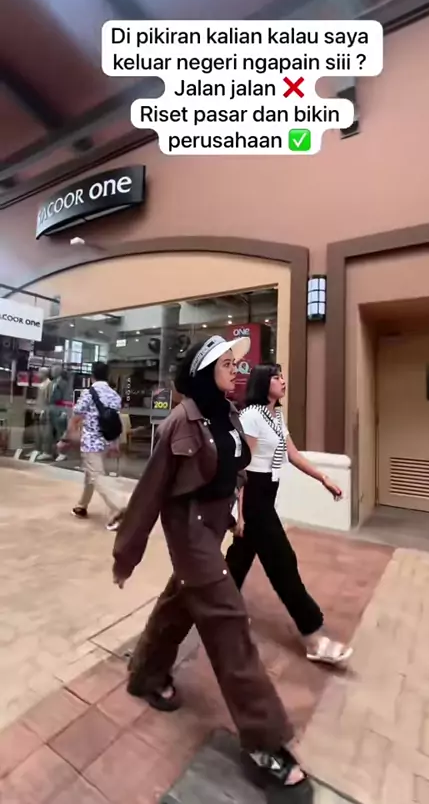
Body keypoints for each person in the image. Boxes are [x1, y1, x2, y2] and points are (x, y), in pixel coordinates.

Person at [112, 336, 312, 796]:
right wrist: (127, 555)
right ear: (204, 371)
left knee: (181, 601)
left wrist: (238, 510)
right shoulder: (180, 422)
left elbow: (236, 465)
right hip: (189, 535)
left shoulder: (228, 413)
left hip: (213, 528)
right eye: (226, 364)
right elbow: (151, 491)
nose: (236, 370)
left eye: (236, 364)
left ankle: (146, 674)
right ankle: (264, 741)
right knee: (229, 622)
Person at [226, 364, 353, 666]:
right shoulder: (252, 416)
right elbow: (241, 468)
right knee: (283, 563)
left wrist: (324, 478)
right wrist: (240, 515)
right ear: (262, 383)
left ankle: (216, 604)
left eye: (282, 376)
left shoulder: (275, 416)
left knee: (238, 561)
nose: (283, 381)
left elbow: (293, 454)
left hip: (266, 496)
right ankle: (313, 636)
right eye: (276, 377)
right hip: (254, 499)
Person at [59, 361, 125, 531]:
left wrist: (66, 439)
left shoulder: (88, 394)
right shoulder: (114, 395)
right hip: (106, 441)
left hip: (91, 442)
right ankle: (81, 506)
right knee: (91, 474)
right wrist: (115, 444)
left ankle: (119, 508)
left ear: (92, 376)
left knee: (96, 476)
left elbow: (75, 418)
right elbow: (115, 421)